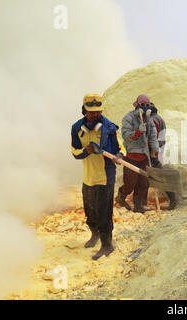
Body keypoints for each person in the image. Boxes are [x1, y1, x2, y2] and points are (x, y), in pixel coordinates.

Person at [71, 93, 125, 260]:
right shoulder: (76, 128)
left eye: (97, 111)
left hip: (105, 176)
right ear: (84, 110)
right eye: (91, 112)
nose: (95, 114)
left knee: (104, 211)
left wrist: (120, 156)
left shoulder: (109, 127)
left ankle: (107, 245)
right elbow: (74, 151)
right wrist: (85, 151)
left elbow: (120, 148)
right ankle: (94, 234)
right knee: (90, 210)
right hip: (88, 176)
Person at [115, 94, 159, 213]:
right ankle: (120, 197)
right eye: (142, 105)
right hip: (131, 155)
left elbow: (153, 136)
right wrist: (138, 132)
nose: (144, 108)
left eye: (147, 105)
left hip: (144, 156)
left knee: (143, 183)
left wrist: (155, 149)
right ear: (137, 105)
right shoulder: (128, 117)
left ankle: (138, 205)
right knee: (130, 183)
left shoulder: (149, 120)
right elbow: (125, 135)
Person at [146, 103, 178, 210]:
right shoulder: (159, 118)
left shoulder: (153, 121)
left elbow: (152, 138)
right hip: (159, 150)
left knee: (159, 175)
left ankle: (173, 199)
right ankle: (141, 201)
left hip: (154, 152)